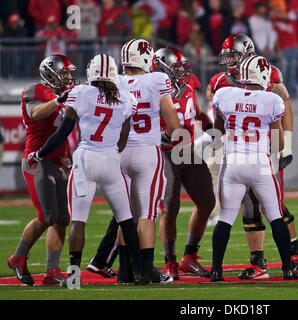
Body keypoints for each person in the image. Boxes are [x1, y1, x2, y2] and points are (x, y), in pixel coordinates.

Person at [28, 54, 149, 286]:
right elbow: (122, 140)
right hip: (111, 159)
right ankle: (140, 274)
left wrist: (40, 153)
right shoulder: (125, 99)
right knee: (126, 219)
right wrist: (111, 152)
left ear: (91, 72)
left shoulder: (80, 93)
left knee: (78, 221)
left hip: (86, 158)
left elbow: (62, 133)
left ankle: (73, 279)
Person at [207, 33, 298, 280]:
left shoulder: (268, 74)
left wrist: (286, 147)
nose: (229, 61)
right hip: (252, 152)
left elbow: (285, 110)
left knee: (273, 204)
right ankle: (259, 262)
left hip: (250, 154)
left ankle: (294, 250)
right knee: (249, 208)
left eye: (234, 56)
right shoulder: (220, 81)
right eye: (227, 56)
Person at [88, 39, 180, 284]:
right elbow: (172, 121)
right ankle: (146, 271)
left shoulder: (113, 81)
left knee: (125, 215)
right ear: (146, 59)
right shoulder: (157, 80)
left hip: (119, 153)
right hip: (147, 153)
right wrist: (171, 135)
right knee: (147, 215)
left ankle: (125, 271)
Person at [7, 54, 76, 286]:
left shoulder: (63, 96)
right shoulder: (35, 90)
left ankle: (51, 272)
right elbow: (37, 114)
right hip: (37, 160)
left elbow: (63, 131)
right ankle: (18, 257)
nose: (67, 77)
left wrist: (69, 155)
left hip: (57, 161)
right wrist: (59, 100)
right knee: (46, 216)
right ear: (50, 72)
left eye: (69, 73)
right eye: (64, 72)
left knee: (62, 219)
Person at [153, 46, 216, 280]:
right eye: (176, 67)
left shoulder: (190, 83)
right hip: (165, 151)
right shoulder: (155, 87)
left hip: (187, 149)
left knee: (207, 201)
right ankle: (170, 262)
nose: (182, 71)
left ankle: (189, 257)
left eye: (182, 67)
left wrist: (211, 128)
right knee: (170, 207)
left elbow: (196, 111)